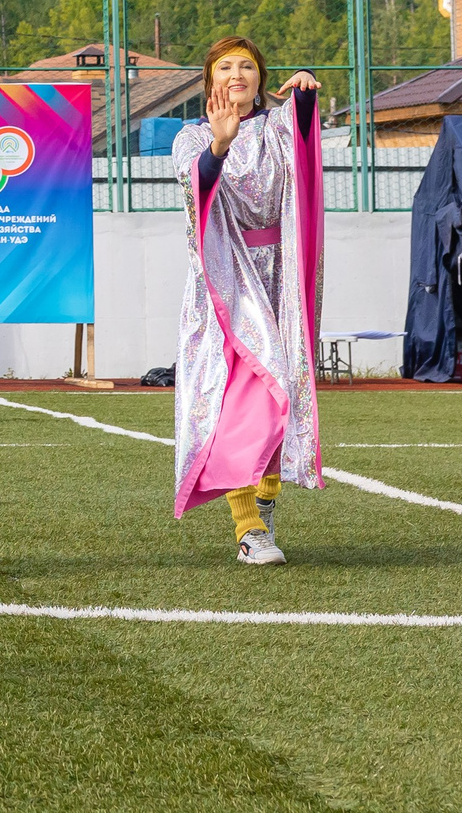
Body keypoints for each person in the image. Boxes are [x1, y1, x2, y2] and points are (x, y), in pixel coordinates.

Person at [170, 37, 324, 566]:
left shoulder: (277, 127)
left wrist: (303, 94)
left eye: (247, 66)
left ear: (261, 77)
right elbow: (198, 194)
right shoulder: (191, 138)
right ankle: (249, 528)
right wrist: (219, 144)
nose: (237, 74)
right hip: (227, 284)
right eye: (225, 66)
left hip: (279, 276)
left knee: (281, 392)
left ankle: (265, 499)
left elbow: (304, 149)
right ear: (210, 79)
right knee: (237, 400)